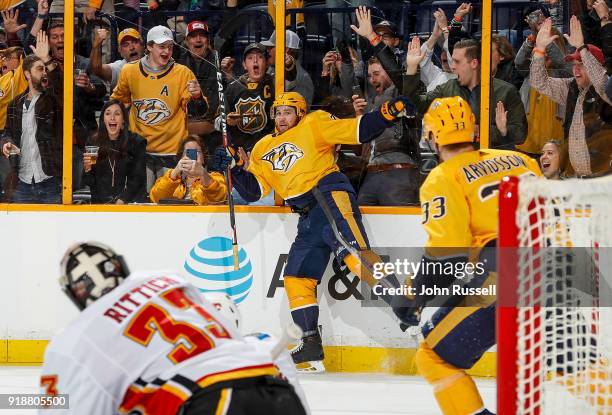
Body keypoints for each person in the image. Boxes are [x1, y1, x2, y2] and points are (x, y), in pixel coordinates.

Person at [212, 91, 419, 372]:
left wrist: (386, 113)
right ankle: (309, 343)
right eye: (278, 112)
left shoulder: (315, 123)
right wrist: (234, 168)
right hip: (306, 215)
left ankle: (406, 307)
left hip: (328, 194)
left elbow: (358, 131)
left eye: (288, 111)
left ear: (300, 112)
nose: (282, 117)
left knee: (353, 253)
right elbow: (254, 191)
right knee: (297, 276)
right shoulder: (261, 148)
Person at [40, 241, 309, 414]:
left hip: (209, 402)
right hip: (275, 392)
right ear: (121, 266)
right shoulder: (168, 279)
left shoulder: (75, 338)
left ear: (73, 294)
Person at [404, 96, 541, 415]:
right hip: (561, 272)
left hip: (507, 278)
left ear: (433, 136)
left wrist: (412, 296)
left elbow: (448, 255)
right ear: (474, 129)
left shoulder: (443, 177)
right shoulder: (519, 159)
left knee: (433, 356)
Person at [110, 25, 205, 191]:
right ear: (149, 47)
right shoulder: (129, 71)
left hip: (173, 153)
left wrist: (197, 97)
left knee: (170, 202)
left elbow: (198, 112)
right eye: (162, 46)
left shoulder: (183, 73)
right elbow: (116, 104)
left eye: (170, 46)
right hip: (140, 152)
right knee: (140, 205)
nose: (166, 51)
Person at [404, 37, 528, 150]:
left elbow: (520, 134)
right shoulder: (448, 88)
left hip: (491, 165)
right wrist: (412, 68)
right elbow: (416, 105)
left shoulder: (506, 91)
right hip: (457, 163)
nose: (452, 67)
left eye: (457, 62)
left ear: (474, 63)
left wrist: (494, 131)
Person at [531, 16, 612, 177]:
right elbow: (539, 82)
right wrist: (539, 50)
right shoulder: (571, 87)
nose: (576, 70)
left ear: (594, 65)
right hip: (577, 177)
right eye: (574, 65)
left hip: (604, 178)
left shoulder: (605, 90)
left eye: (581, 65)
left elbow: (603, 85)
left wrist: (582, 48)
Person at [0, 32, 63, 204]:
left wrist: (47, 59)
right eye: (39, 68)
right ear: (27, 74)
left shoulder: (52, 100)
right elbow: (8, 132)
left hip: (50, 180)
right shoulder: (15, 104)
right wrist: (6, 142)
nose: (44, 73)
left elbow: (61, 85)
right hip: (22, 182)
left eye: (45, 69)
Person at [84, 100, 147, 204]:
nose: (112, 118)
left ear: (123, 120)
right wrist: (87, 169)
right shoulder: (93, 142)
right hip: (100, 204)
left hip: (128, 203)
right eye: (108, 113)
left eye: (117, 114)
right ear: (103, 119)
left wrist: (122, 200)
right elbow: (90, 183)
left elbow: (138, 178)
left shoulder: (136, 142)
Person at [149, 135, 226, 205]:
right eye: (188, 152)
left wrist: (203, 173)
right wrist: (175, 172)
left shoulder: (215, 177)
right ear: (181, 157)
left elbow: (220, 197)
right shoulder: (172, 177)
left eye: (197, 151)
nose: (192, 156)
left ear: (203, 157)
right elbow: (156, 198)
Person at [89, 27, 144, 92]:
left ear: (142, 45)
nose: (131, 47)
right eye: (125, 45)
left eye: (135, 42)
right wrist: (97, 44)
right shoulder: (119, 68)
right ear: (120, 51)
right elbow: (97, 69)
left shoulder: (155, 61)